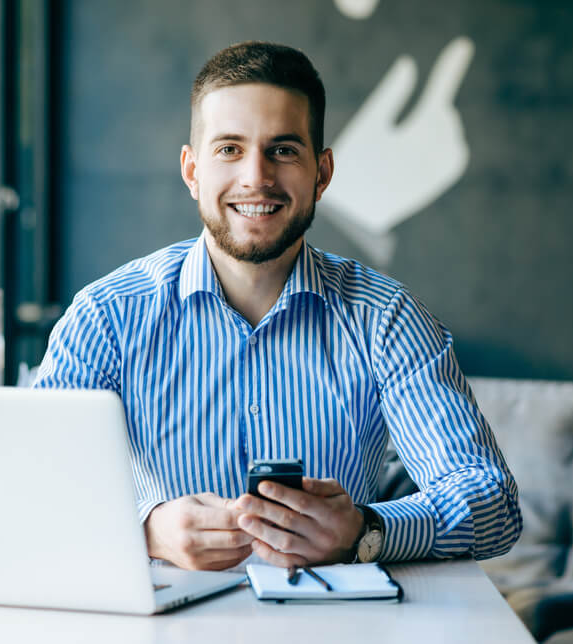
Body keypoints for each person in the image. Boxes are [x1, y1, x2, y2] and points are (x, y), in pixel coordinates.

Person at [33, 41, 521, 571]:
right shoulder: (106, 317)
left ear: (322, 173)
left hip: (335, 613)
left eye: (283, 150)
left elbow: (492, 503)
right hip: (164, 610)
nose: (256, 177)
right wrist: (144, 529)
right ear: (192, 171)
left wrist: (365, 530)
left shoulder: (386, 319)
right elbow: (30, 486)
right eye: (229, 149)